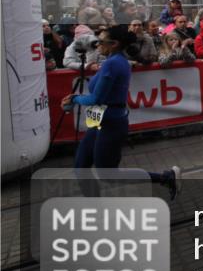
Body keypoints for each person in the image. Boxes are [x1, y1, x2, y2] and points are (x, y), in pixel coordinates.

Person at [61, 24, 180, 198]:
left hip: (111, 123)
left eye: (101, 41)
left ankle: (165, 178)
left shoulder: (113, 64)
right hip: (100, 120)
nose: (97, 44)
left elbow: (96, 99)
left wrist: (74, 99)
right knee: (80, 167)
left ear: (114, 44)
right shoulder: (111, 61)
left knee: (108, 174)